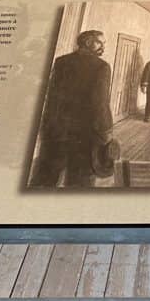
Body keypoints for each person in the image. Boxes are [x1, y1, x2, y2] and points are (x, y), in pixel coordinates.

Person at [31, 29, 113, 187]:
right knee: (79, 181)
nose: (103, 46)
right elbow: (100, 103)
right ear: (88, 43)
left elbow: (52, 97)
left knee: (45, 178)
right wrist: (105, 131)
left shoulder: (61, 61)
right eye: (100, 42)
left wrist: (46, 126)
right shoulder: (101, 66)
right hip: (85, 134)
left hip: (56, 130)